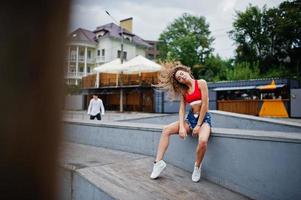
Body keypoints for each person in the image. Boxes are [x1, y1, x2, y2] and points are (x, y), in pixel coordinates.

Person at [150, 62, 212, 182]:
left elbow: (205, 105)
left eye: (182, 74)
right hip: (190, 120)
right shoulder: (184, 91)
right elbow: (182, 109)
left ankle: (197, 166)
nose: (182, 77)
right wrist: (182, 127)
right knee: (166, 130)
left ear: (187, 72)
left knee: (203, 141)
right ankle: (158, 163)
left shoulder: (201, 83)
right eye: (179, 78)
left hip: (203, 119)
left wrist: (199, 125)